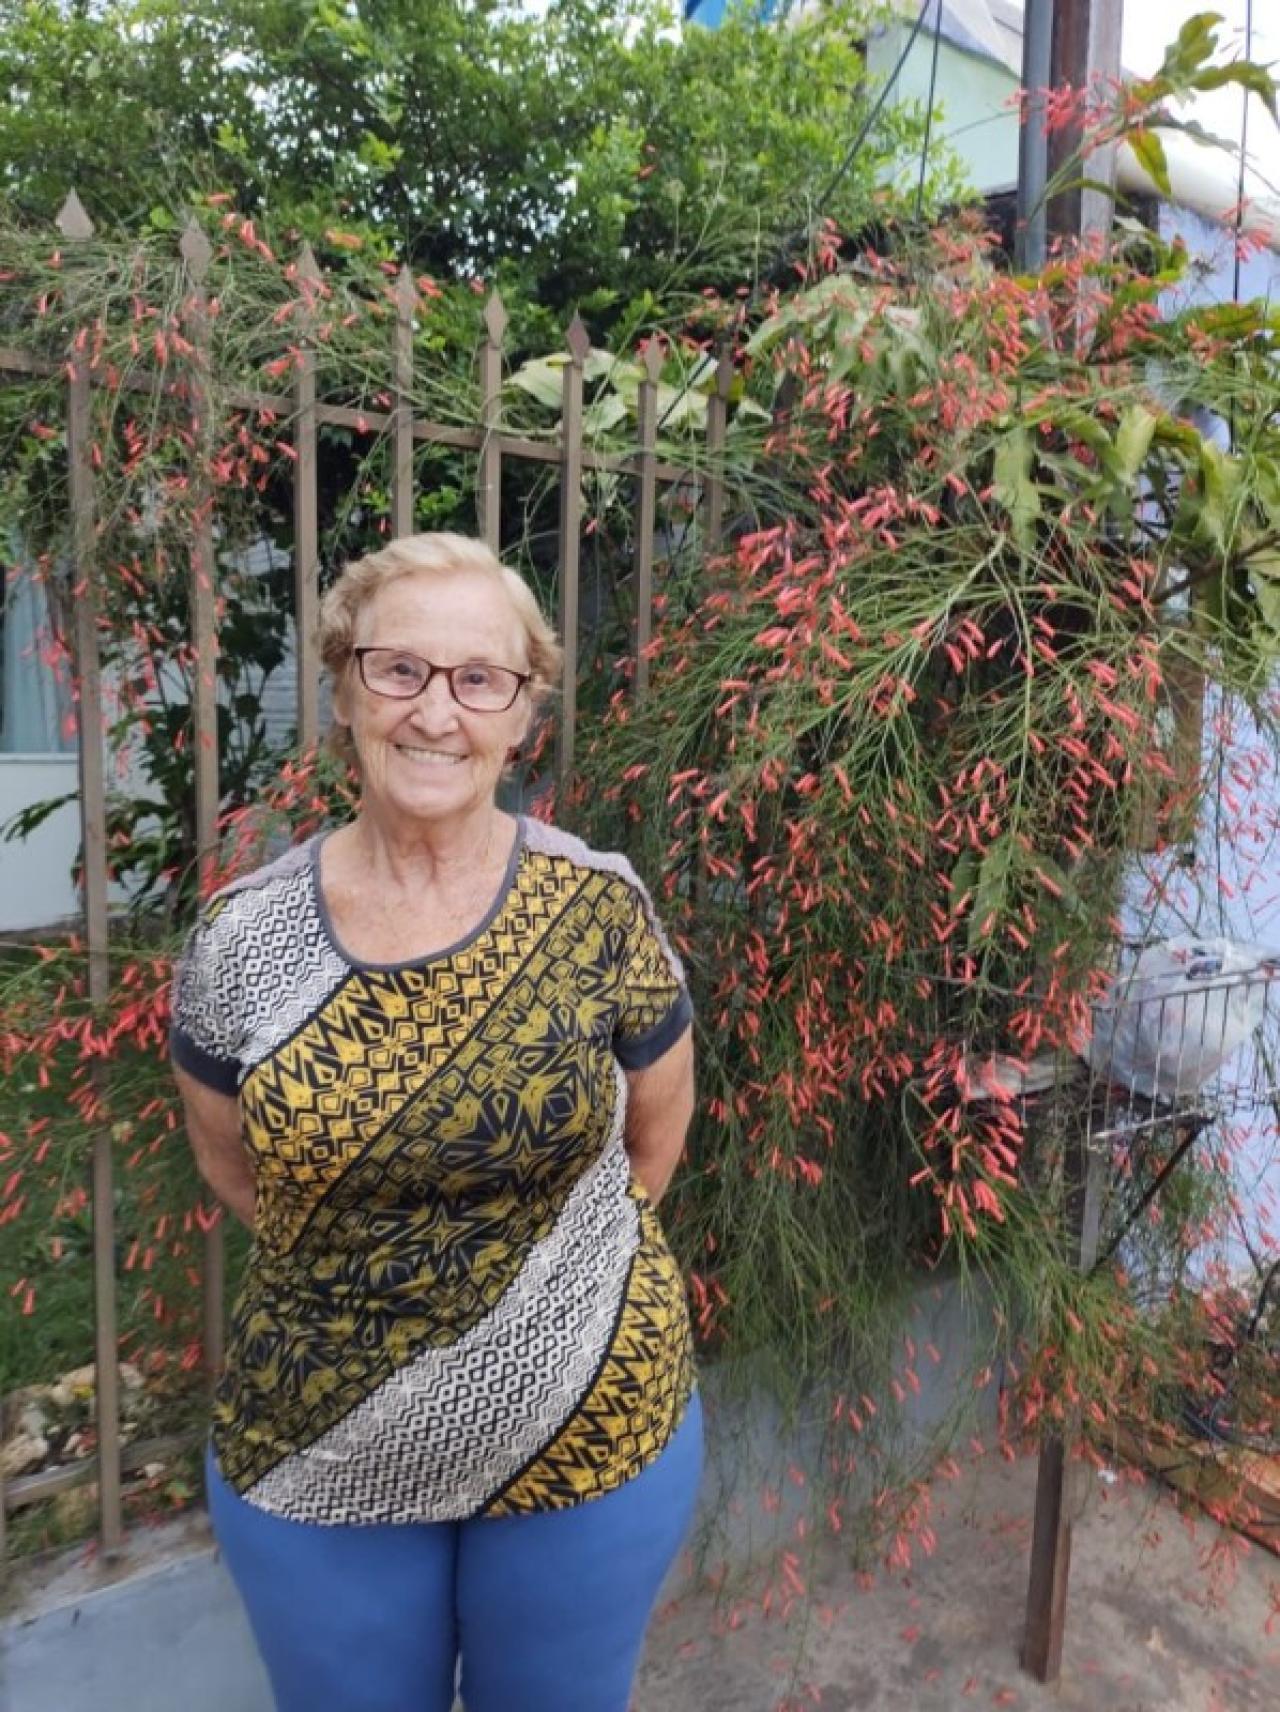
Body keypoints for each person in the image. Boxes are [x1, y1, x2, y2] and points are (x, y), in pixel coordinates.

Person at [170, 532, 701, 1712]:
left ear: (523, 716)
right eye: (399, 668)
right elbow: (234, 1164)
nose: (435, 710)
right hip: (318, 1443)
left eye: (478, 678)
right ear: (343, 686)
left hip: (588, 1424)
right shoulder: (239, 940)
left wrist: (537, 1295)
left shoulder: (598, 906)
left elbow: (653, 1139)